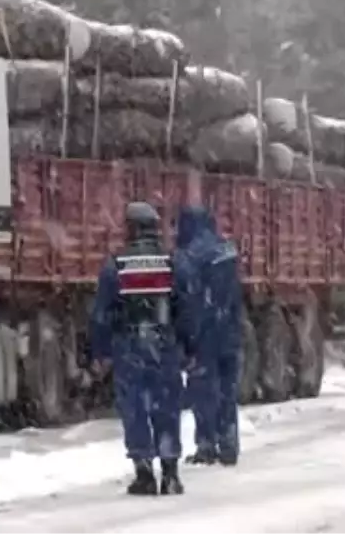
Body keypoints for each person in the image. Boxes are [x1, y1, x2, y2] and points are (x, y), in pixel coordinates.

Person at [90, 201, 196, 495]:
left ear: (131, 228)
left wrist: (100, 352)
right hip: (165, 346)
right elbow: (185, 309)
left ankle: (144, 472)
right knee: (167, 407)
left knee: (135, 408)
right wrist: (189, 348)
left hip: (130, 347)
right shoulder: (172, 262)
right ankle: (171, 472)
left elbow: (102, 313)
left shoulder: (117, 265)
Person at [175, 173, 243, 467]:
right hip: (230, 333)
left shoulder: (191, 256)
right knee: (228, 392)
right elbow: (235, 297)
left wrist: (187, 342)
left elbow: (190, 302)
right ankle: (229, 443)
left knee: (204, 391)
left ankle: (206, 444)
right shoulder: (227, 250)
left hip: (206, 337)